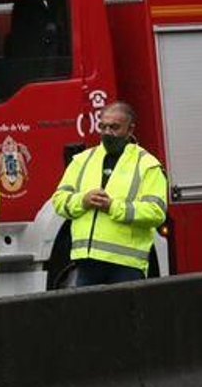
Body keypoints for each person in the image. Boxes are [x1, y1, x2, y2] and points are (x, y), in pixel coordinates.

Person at [50, 101, 167, 286]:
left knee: (122, 316)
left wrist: (113, 206)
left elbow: (156, 212)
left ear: (130, 130)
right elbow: (58, 201)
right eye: (103, 126)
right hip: (86, 263)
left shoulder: (147, 165)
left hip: (126, 266)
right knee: (89, 315)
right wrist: (83, 200)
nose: (107, 132)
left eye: (114, 127)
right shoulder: (82, 160)